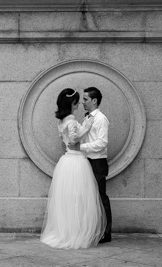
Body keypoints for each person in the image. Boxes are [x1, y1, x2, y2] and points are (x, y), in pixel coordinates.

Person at [40, 88, 106, 249]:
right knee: (79, 199)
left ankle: (67, 231)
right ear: (72, 103)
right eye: (78, 101)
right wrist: (88, 125)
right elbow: (74, 139)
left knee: (68, 198)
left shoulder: (61, 121)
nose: (80, 104)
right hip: (76, 161)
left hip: (66, 161)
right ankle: (76, 232)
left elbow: (66, 141)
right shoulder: (71, 121)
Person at [74, 87, 112, 243]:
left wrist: (80, 147)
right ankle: (92, 229)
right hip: (86, 161)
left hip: (97, 162)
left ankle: (106, 232)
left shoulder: (101, 119)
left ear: (94, 100)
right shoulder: (87, 117)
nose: (83, 102)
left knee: (100, 196)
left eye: (85, 99)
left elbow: (102, 143)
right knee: (88, 197)